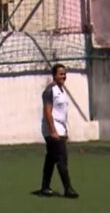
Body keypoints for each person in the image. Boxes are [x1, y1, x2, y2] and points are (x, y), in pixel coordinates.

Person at [33, 64, 79, 199]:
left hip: (60, 129)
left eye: (64, 74)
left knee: (51, 158)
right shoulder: (50, 90)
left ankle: (45, 187)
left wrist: (64, 131)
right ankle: (68, 189)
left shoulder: (62, 91)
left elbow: (62, 113)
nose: (63, 76)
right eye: (60, 74)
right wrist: (52, 130)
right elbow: (47, 111)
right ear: (54, 75)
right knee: (61, 158)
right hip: (52, 129)